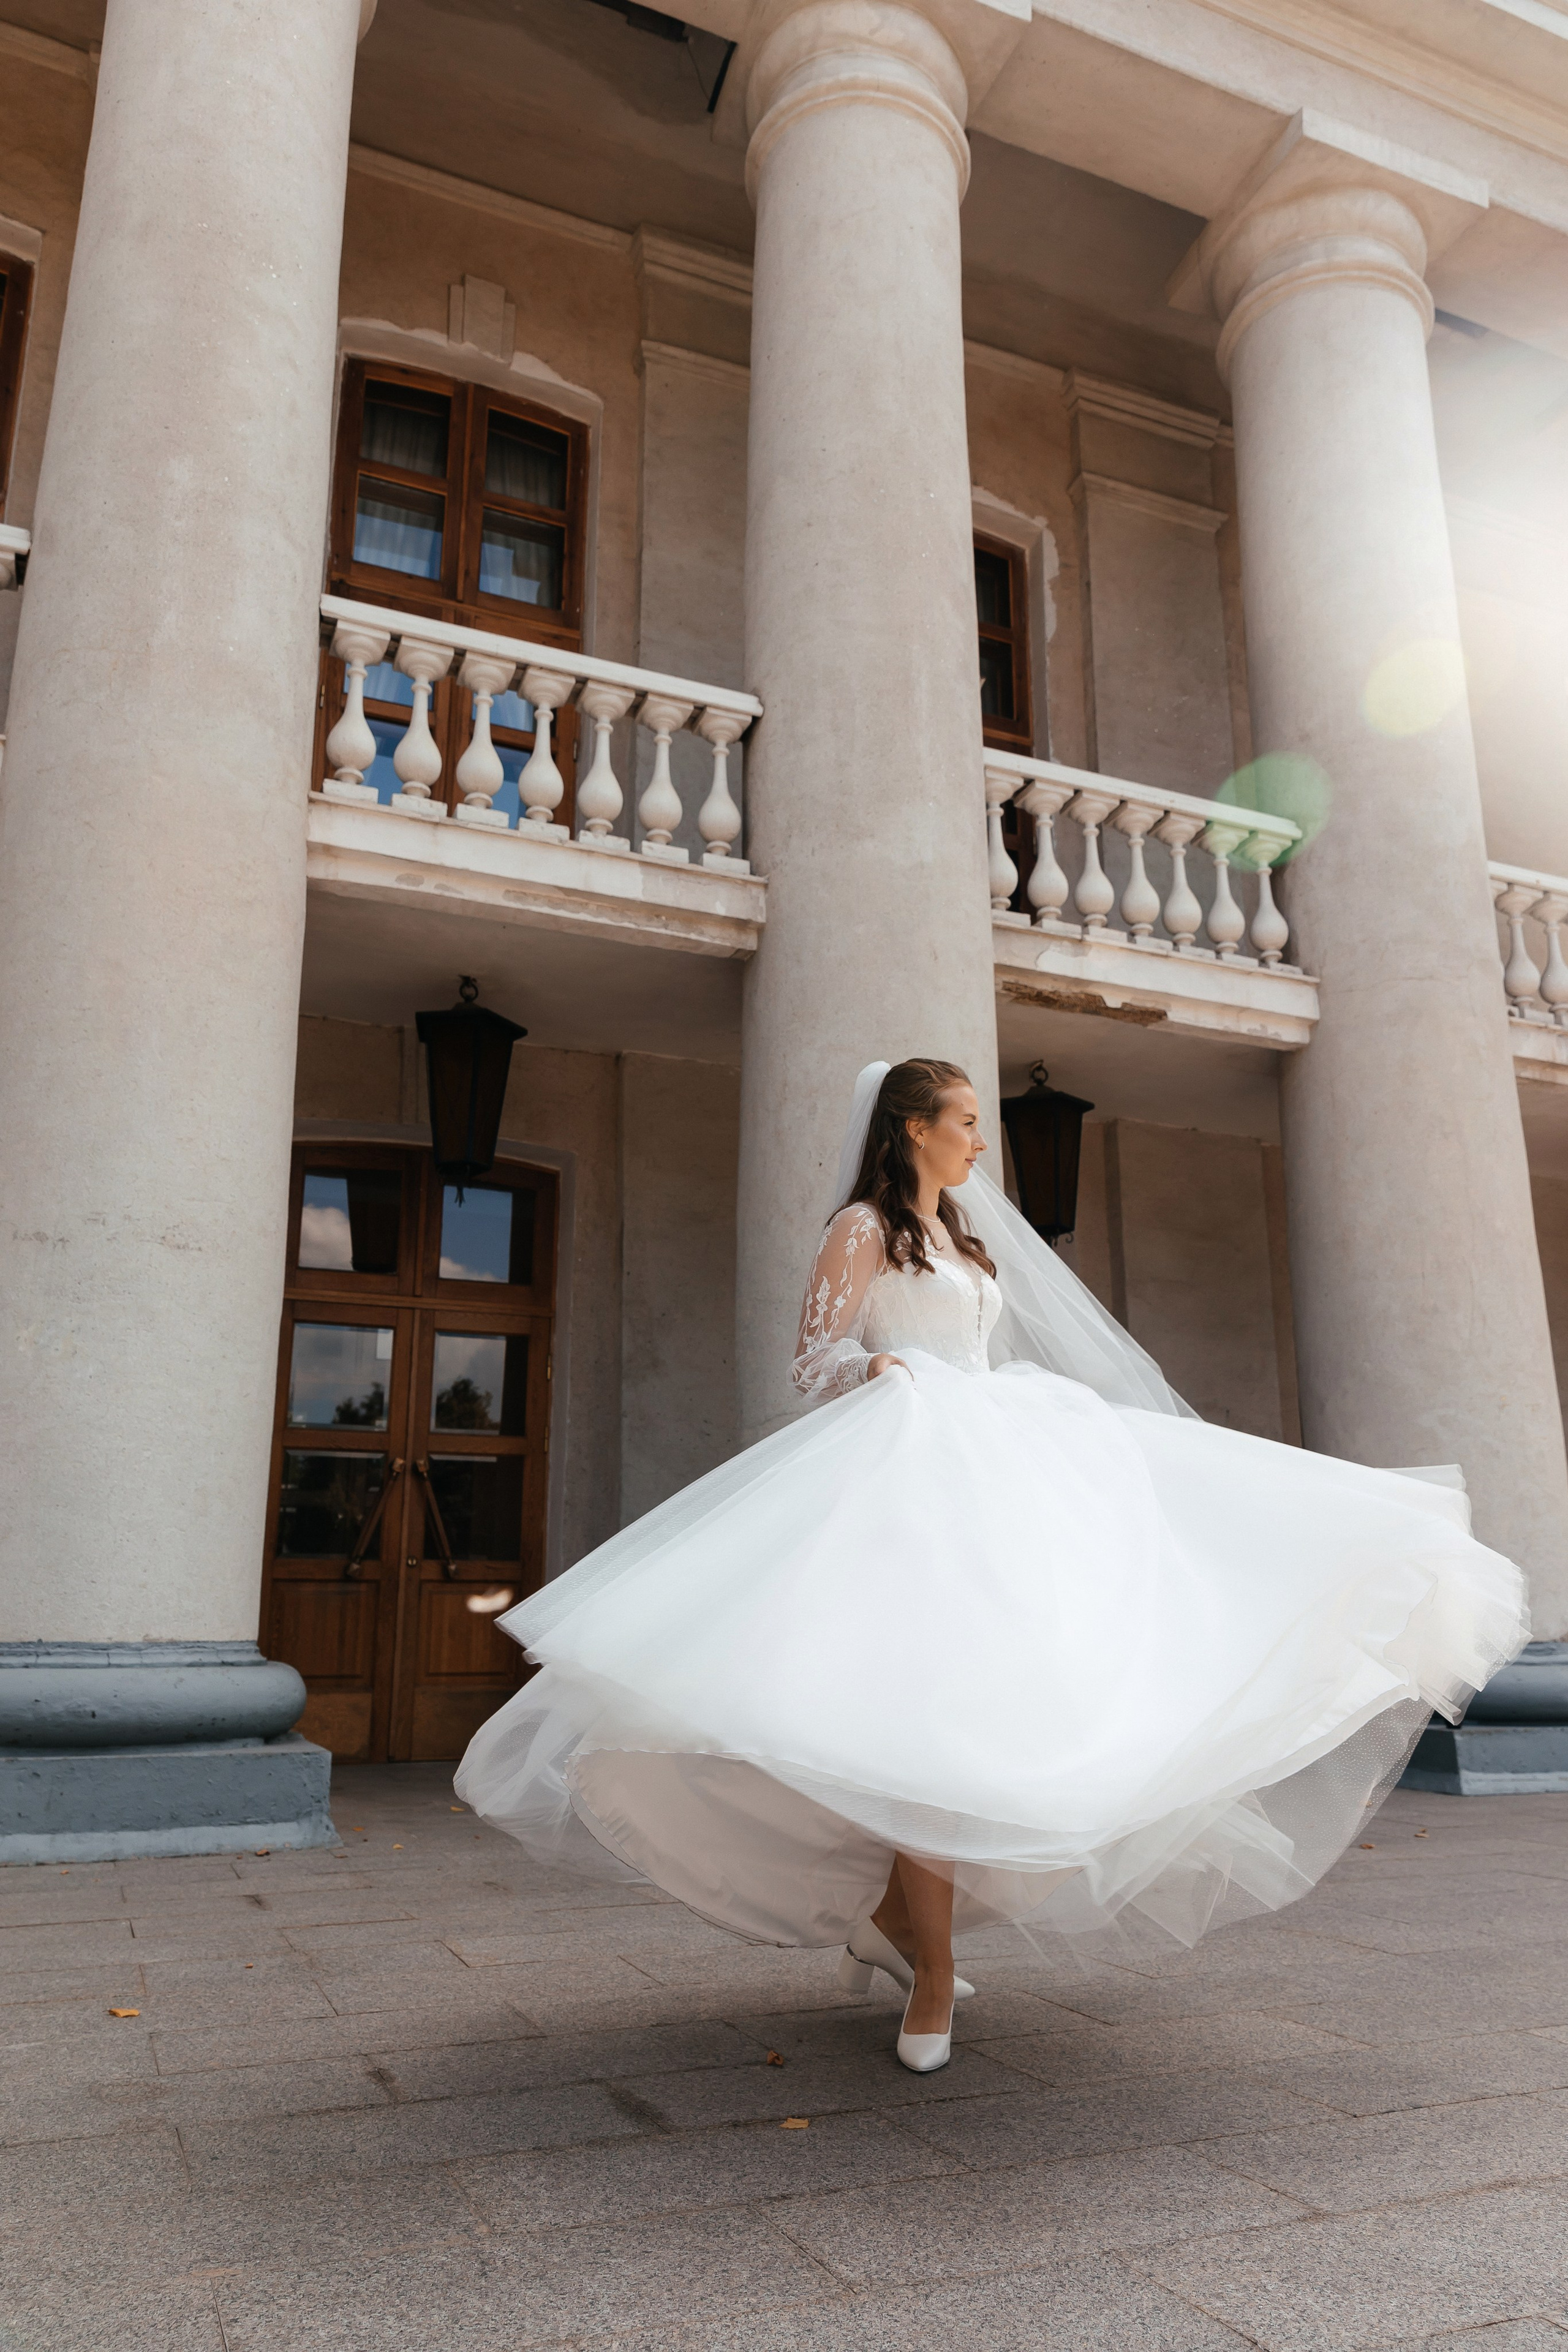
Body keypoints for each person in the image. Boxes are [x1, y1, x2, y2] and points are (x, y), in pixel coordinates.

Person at [457, 1057, 1527, 2074]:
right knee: (930, 1720)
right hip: (903, 1476)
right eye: (966, 1119)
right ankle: (932, 1970)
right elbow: (809, 1358)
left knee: (1008, 1698)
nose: (980, 1138)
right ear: (913, 1128)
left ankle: (894, 1926)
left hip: (990, 1463)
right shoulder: (863, 1226)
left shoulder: (964, 1239)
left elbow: (986, 1351)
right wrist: (877, 1361)